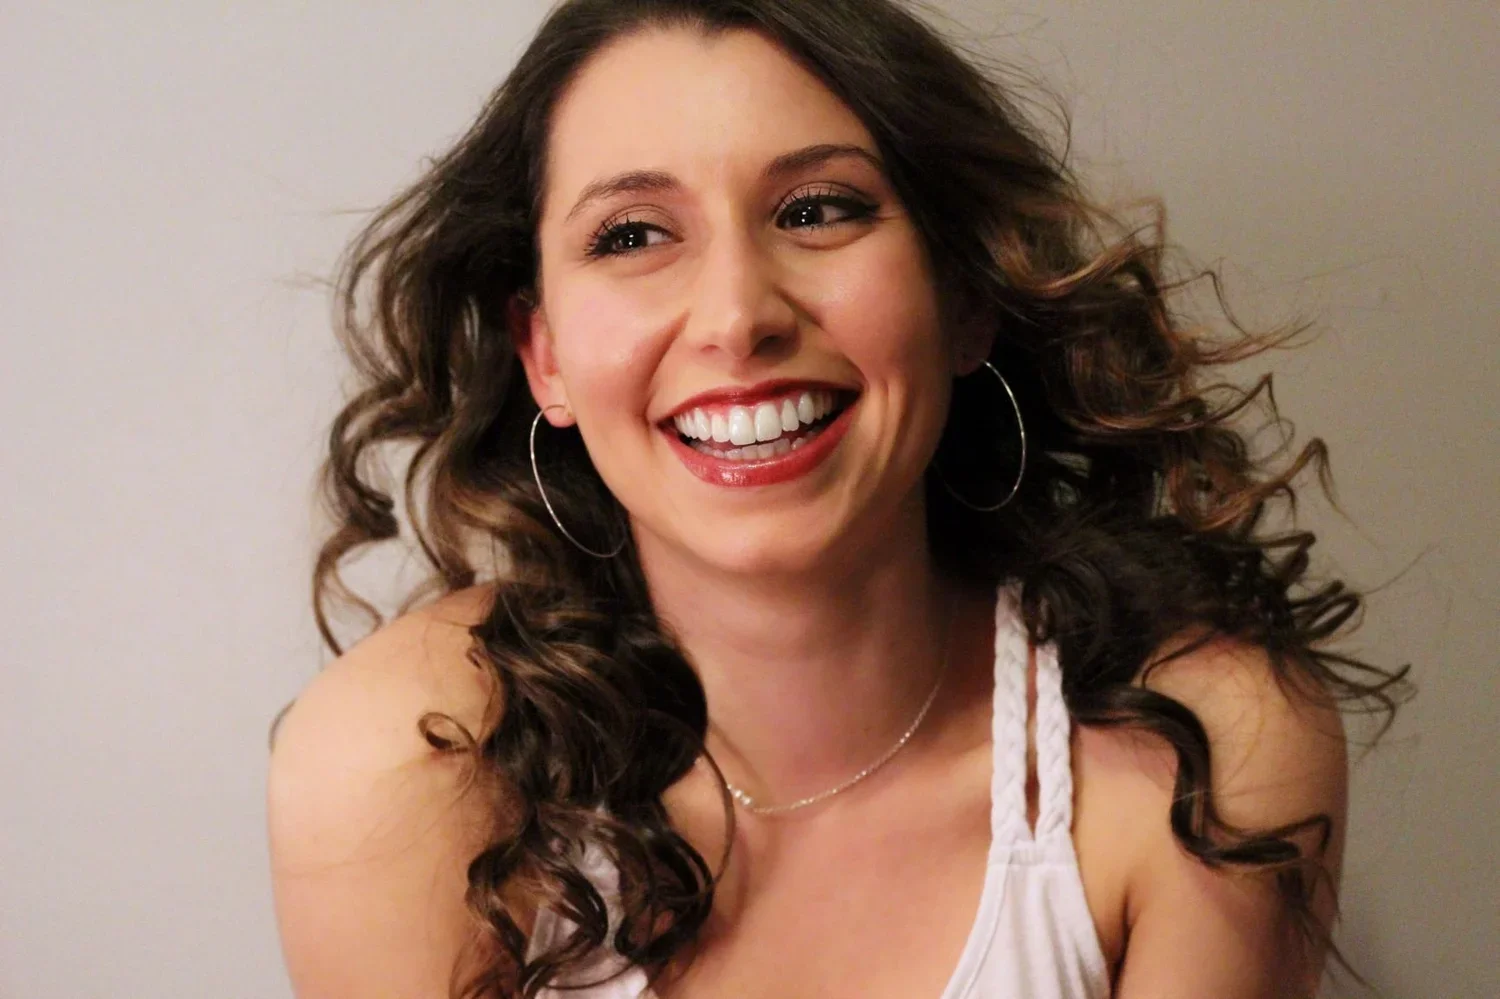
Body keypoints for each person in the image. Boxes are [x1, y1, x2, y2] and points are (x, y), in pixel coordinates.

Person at [267, 1, 1404, 996]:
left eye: (817, 210)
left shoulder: (1202, 752)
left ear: (964, 297)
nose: (735, 314)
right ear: (545, 354)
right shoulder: (411, 764)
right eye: (632, 235)